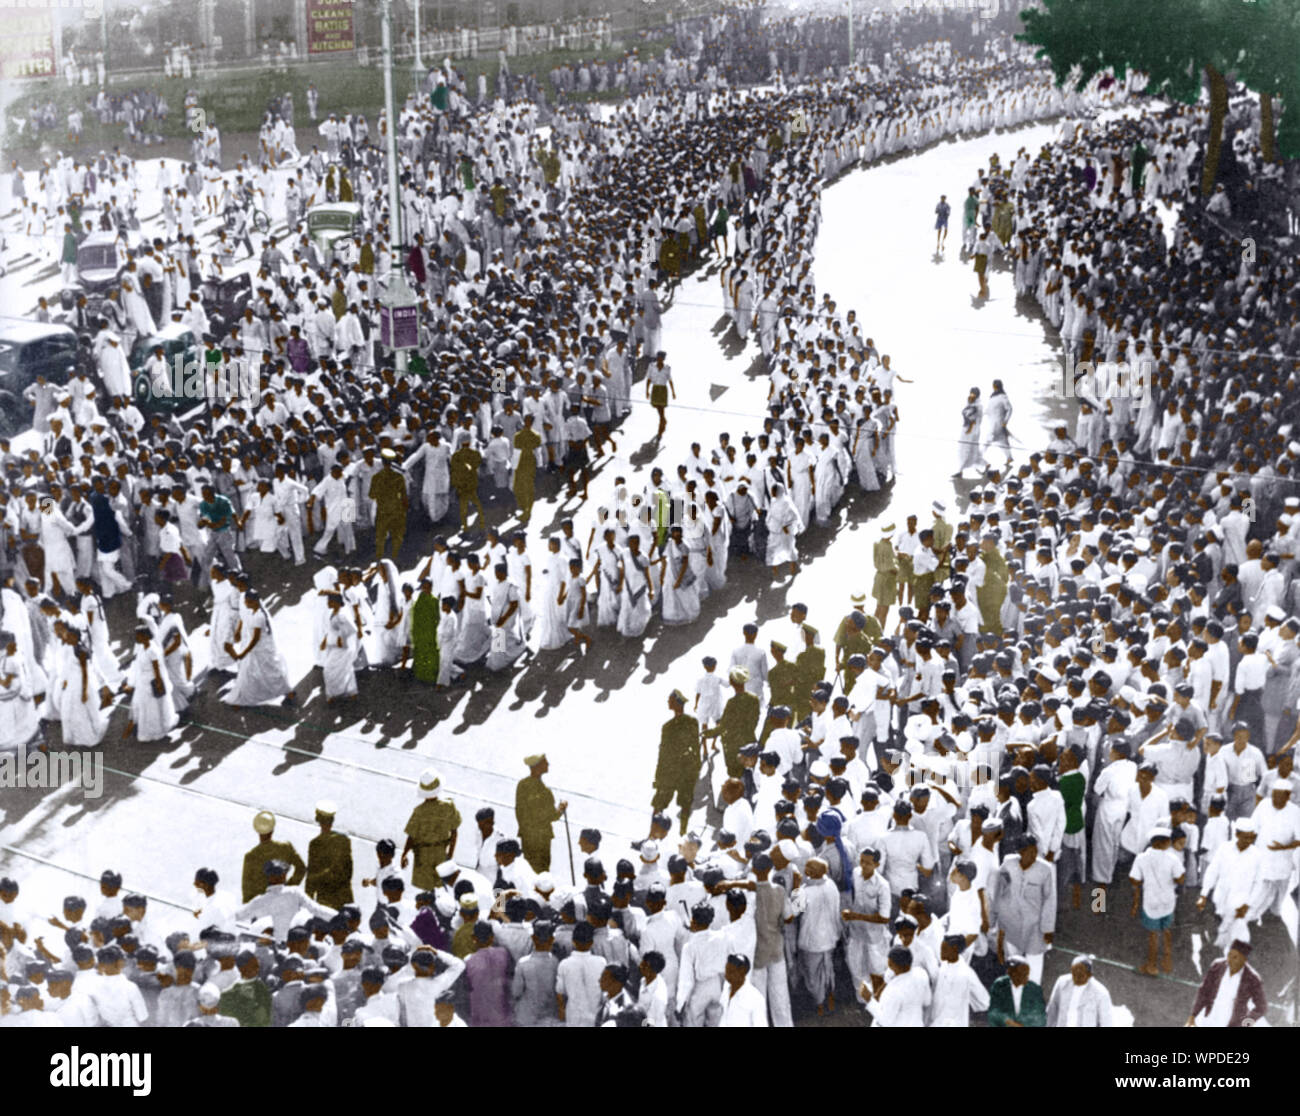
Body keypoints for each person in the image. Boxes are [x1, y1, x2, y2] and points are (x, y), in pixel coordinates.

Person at [1129, 827, 1183, 976]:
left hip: (1150, 901)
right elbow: (1180, 878)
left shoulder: (1141, 858)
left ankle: (1151, 966)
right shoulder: (1173, 858)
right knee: (1166, 931)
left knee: (1153, 934)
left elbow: (1134, 879)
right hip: (1168, 901)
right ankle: (1167, 962)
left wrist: (1135, 901)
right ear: (1166, 842)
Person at [401, 769, 461, 892]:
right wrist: (450, 855)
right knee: (442, 889)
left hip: (422, 856)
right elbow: (454, 832)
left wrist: (404, 854)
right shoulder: (449, 806)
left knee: (426, 892)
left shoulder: (419, 811)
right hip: (441, 853)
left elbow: (411, 837)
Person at [652, 690, 702, 836]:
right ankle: (682, 835)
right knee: (685, 805)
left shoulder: (668, 727)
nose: (668, 702)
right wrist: (696, 768)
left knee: (658, 804)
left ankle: (653, 834)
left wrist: (658, 776)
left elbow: (663, 754)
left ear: (675, 704)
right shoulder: (692, 722)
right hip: (687, 771)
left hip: (670, 771)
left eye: (670, 700)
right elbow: (696, 747)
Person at [1187, 940, 1267, 1027]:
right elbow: (1203, 991)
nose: (1230, 959)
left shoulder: (1252, 978)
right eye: (1229, 955)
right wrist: (1193, 1015)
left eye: (1235, 957)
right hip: (1209, 1018)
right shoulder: (1217, 966)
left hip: (1230, 1022)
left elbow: (1261, 1008)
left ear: (1243, 959)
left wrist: (1245, 1024)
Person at [516, 753, 568, 874]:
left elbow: (519, 812)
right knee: (541, 872)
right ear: (537, 766)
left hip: (528, 837)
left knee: (529, 870)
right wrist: (561, 808)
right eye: (545, 762)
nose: (548, 764)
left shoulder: (523, 785)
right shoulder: (544, 791)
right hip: (541, 839)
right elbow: (551, 816)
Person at [305, 800, 353, 911]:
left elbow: (311, 875)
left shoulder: (315, 844)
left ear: (318, 820)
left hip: (325, 898)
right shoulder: (344, 840)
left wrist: (308, 900)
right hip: (344, 896)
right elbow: (349, 871)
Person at [1046, 955, 1114, 1027]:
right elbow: (1052, 1011)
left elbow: (1106, 1023)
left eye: (1081, 974)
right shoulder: (1062, 983)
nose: (1076, 977)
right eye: (1074, 973)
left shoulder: (1101, 993)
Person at [988, 954, 1047, 1027]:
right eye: (1022, 974)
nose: (1026, 977)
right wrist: (1009, 1022)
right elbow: (994, 1012)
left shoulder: (1035, 989)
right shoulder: (999, 985)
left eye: (1027, 973)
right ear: (1010, 973)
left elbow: (1041, 1017)